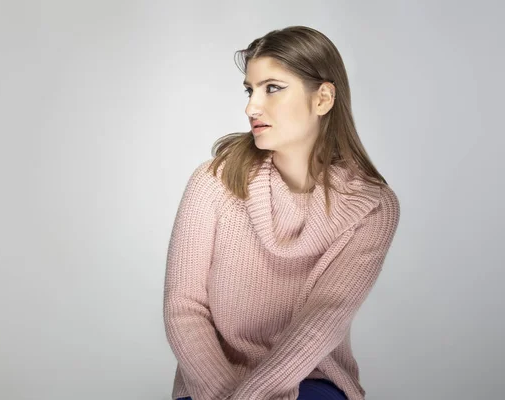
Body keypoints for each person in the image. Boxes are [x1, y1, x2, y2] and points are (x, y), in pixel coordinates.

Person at [163, 25, 401, 400]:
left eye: (272, 88)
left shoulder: (371, 208)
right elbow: (184, 307)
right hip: (211, 382)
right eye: (249, 89)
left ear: (322, 98)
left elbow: (322, 322)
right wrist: (224, 394)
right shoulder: (212, 182)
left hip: (311, 377)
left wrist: (252, 396)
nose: (251, 107)